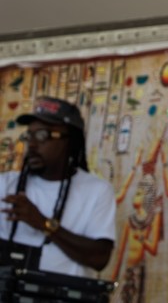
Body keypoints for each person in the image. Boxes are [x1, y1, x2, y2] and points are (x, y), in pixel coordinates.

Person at [0, 96, 116, 277]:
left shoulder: (97, 191)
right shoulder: (5, 185)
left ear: (69, 142)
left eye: (42, 135)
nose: (32, 143)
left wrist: (44, 224)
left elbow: (99, 259)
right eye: (29, 135)